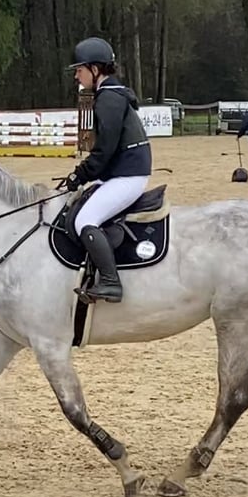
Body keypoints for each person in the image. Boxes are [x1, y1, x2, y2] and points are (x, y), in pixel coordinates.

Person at [62, 37, 152, 303]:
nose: (77, 76)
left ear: (95, 68)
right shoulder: (111, 94)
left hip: (128, 175)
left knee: (84, 220)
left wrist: (80, 174)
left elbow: (105, 150)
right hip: (124, 171)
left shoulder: (107, 99)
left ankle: (111, 283)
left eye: (80, 70)